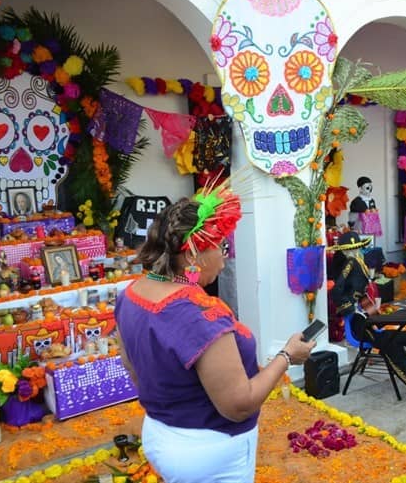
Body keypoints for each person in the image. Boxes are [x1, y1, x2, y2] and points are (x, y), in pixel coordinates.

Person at [115, 182, 316, 483]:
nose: (224, 259)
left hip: (159, 434)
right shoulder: (203, 314)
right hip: (208, 450)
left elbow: (131, 366)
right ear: (193, 255)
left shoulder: (131, 293)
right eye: (221, 247)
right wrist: (287, 356)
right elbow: (239, 405)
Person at [328, 231, 406, 404]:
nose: (354, 253)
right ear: (344, 251)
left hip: (369, 315)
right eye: (350, 250)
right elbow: (337, 291)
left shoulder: (359, 261)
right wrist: (351, 308)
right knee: (391, 343)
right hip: (358, 322)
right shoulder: (350, 264)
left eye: (356, 248)